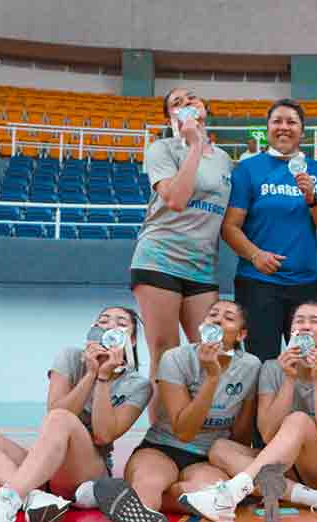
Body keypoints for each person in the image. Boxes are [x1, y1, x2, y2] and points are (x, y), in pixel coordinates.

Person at [92, 300, 261, 522]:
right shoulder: (176, 358)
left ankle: (152, 505)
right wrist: (212, 378)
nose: (217, 320)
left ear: (241, 334)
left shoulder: (250, 365)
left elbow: (241, 432)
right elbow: (184, 432)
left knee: (212, 493)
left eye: (228, 318)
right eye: (212, 315)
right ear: (203, 325)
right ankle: (145, 517)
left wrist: (227, 463)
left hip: (207, 455)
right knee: (149, 482)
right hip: (163, 447)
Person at [178, 301, 317, 522]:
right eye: (299, 321)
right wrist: (289, 378)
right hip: (288, 467)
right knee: (219, 449)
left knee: (299, 421)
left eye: (314, 321)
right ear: (291, 332)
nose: (306, 326)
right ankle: (316, 498)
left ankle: (233, 491)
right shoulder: (272, 368)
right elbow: (267, 434)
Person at [0, 307, 151, 522]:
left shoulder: (138, 385)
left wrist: (103, 378)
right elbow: (54, 409)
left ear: (131, 340)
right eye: (103, 321)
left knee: (62, 419)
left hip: (87, 468)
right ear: (93, 331)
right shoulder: (70, 357)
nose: (110, 326)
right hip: (45, 468)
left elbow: (104, 436)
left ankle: (7, 503)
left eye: (121, 323)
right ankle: (36, 498)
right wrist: (89, 373)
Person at [130, 88, 233, 419]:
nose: (187, 104)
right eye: (177, 103)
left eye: (192, 98)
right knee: (165, 352)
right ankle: (160, 433)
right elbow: (175, 199)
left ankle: (201, 428)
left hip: (202, 266)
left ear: (205, 108)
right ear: (170, 117)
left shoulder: (224, 159)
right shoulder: (161, 149)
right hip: (160, 257)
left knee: (210, 349)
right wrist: (193, 146)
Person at [222, 99, 317, 364]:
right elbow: (229, 227)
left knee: (312, 362)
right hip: (257, 284)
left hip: (305, 284)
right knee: (259, 365)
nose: (284, 127)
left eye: (291, 122)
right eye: (277, 121)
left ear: (302, 131)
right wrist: (255, 255)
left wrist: (313, 199)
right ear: (267, 129)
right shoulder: (249, 169)